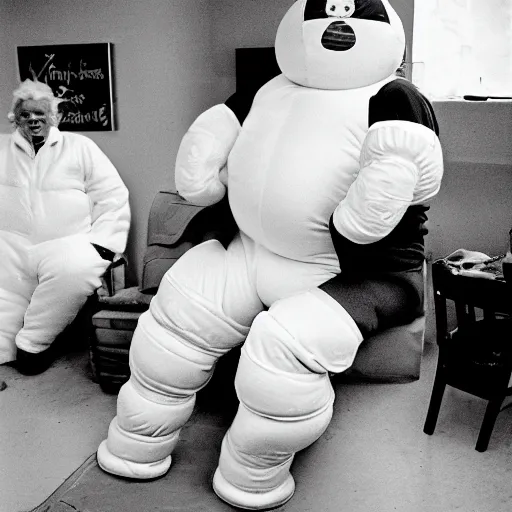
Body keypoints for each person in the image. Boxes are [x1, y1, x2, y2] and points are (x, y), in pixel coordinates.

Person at [97, 0, 443, 510]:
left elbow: (405, 158)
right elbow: (219, 127)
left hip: (349, 269)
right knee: (176, 315)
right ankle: (136, 444)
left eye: (354, 15)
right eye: (324, 13)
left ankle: (250, 474)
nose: (337, 25)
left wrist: (367, 211)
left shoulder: (394, 95)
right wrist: (201, 170)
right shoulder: (271, 88)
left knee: (283, 350)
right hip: (254, 251)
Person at [0, 79, 130, 375]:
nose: (33, 120)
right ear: (15, 118)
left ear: (53, 117)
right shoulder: (1, 149)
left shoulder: (80, 147)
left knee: (78, 269)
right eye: (25, 114)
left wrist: (104, 244)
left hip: (68, 243)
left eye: (40, 114)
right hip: (9, 244)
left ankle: (34, 344)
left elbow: (111, 196)